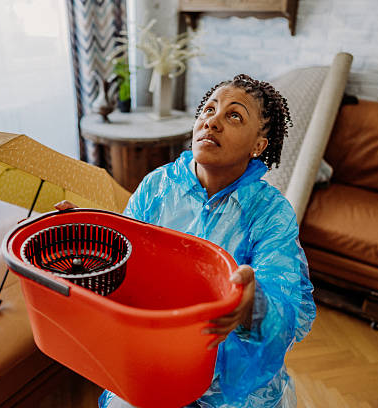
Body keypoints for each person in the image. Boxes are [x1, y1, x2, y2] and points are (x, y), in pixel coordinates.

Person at [55, 74, 317, 408]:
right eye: (209, 109)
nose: (212, 121)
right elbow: (124, 260)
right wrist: (82, 240)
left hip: (232, 383)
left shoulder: (269, 213)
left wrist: (253, 304)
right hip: (155, 357)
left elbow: (287, 310)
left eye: (234, 115)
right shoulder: (157, 186)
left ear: (258, 146)